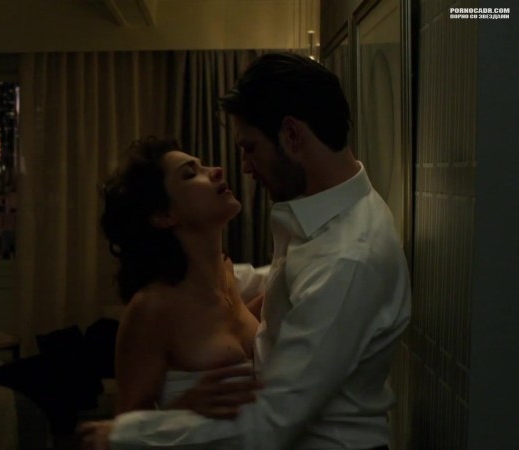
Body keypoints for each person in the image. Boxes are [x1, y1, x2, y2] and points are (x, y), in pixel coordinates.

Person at [80, 52, 412, 450]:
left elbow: (274, 420)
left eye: (250, 148)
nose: (243, 167)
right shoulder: (319, 226)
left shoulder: (345, 258)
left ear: (291, 135)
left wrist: (126, 434)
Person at [98, 137, 266, 431]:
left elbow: (225, 325)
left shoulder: (226, 277)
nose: (216, 170)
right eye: (190, 174)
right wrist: (184, 406)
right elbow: (123, 431)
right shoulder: (152, 307)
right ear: (164, 216)